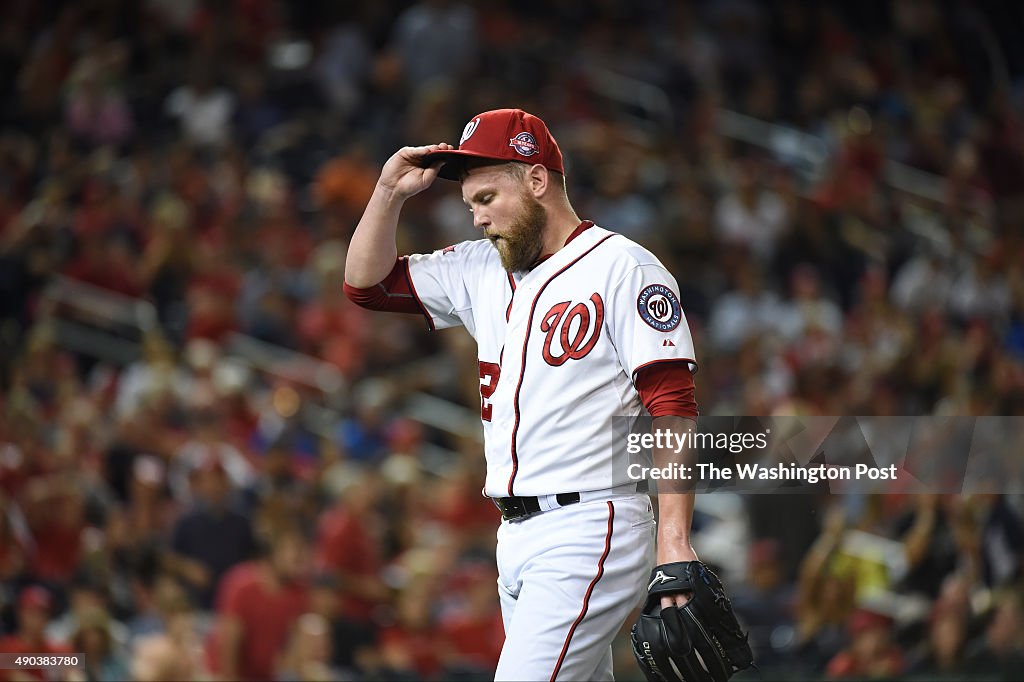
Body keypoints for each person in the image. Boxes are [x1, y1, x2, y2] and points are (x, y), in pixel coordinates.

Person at [344, 108, 701, 680]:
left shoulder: (622, 266)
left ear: (536, 180)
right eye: (470, 205)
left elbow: (673, 404)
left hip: (590, 523)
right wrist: (388, 191)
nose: (478, 217)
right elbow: (367, 285)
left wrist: (675, 542)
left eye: (487, 198)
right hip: (515, 534)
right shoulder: (481, 267)